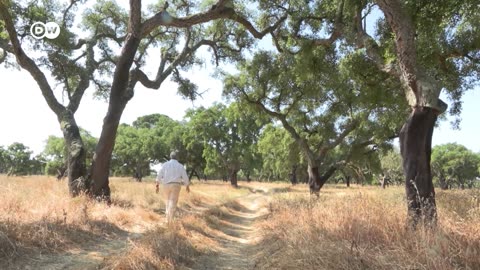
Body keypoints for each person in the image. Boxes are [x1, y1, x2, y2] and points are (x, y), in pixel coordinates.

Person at [156, 151, 190, 224]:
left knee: (167, 201)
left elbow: (159, 174)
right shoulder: (180, 166)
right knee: (173, 202)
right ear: (177, 157)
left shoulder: (164, 165)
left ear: (170, 157)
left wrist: (157, 184)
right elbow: (185, 176)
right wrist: (187, 185)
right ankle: (170, 220)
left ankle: (167, 219)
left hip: (166, 185)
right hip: (176, 185)